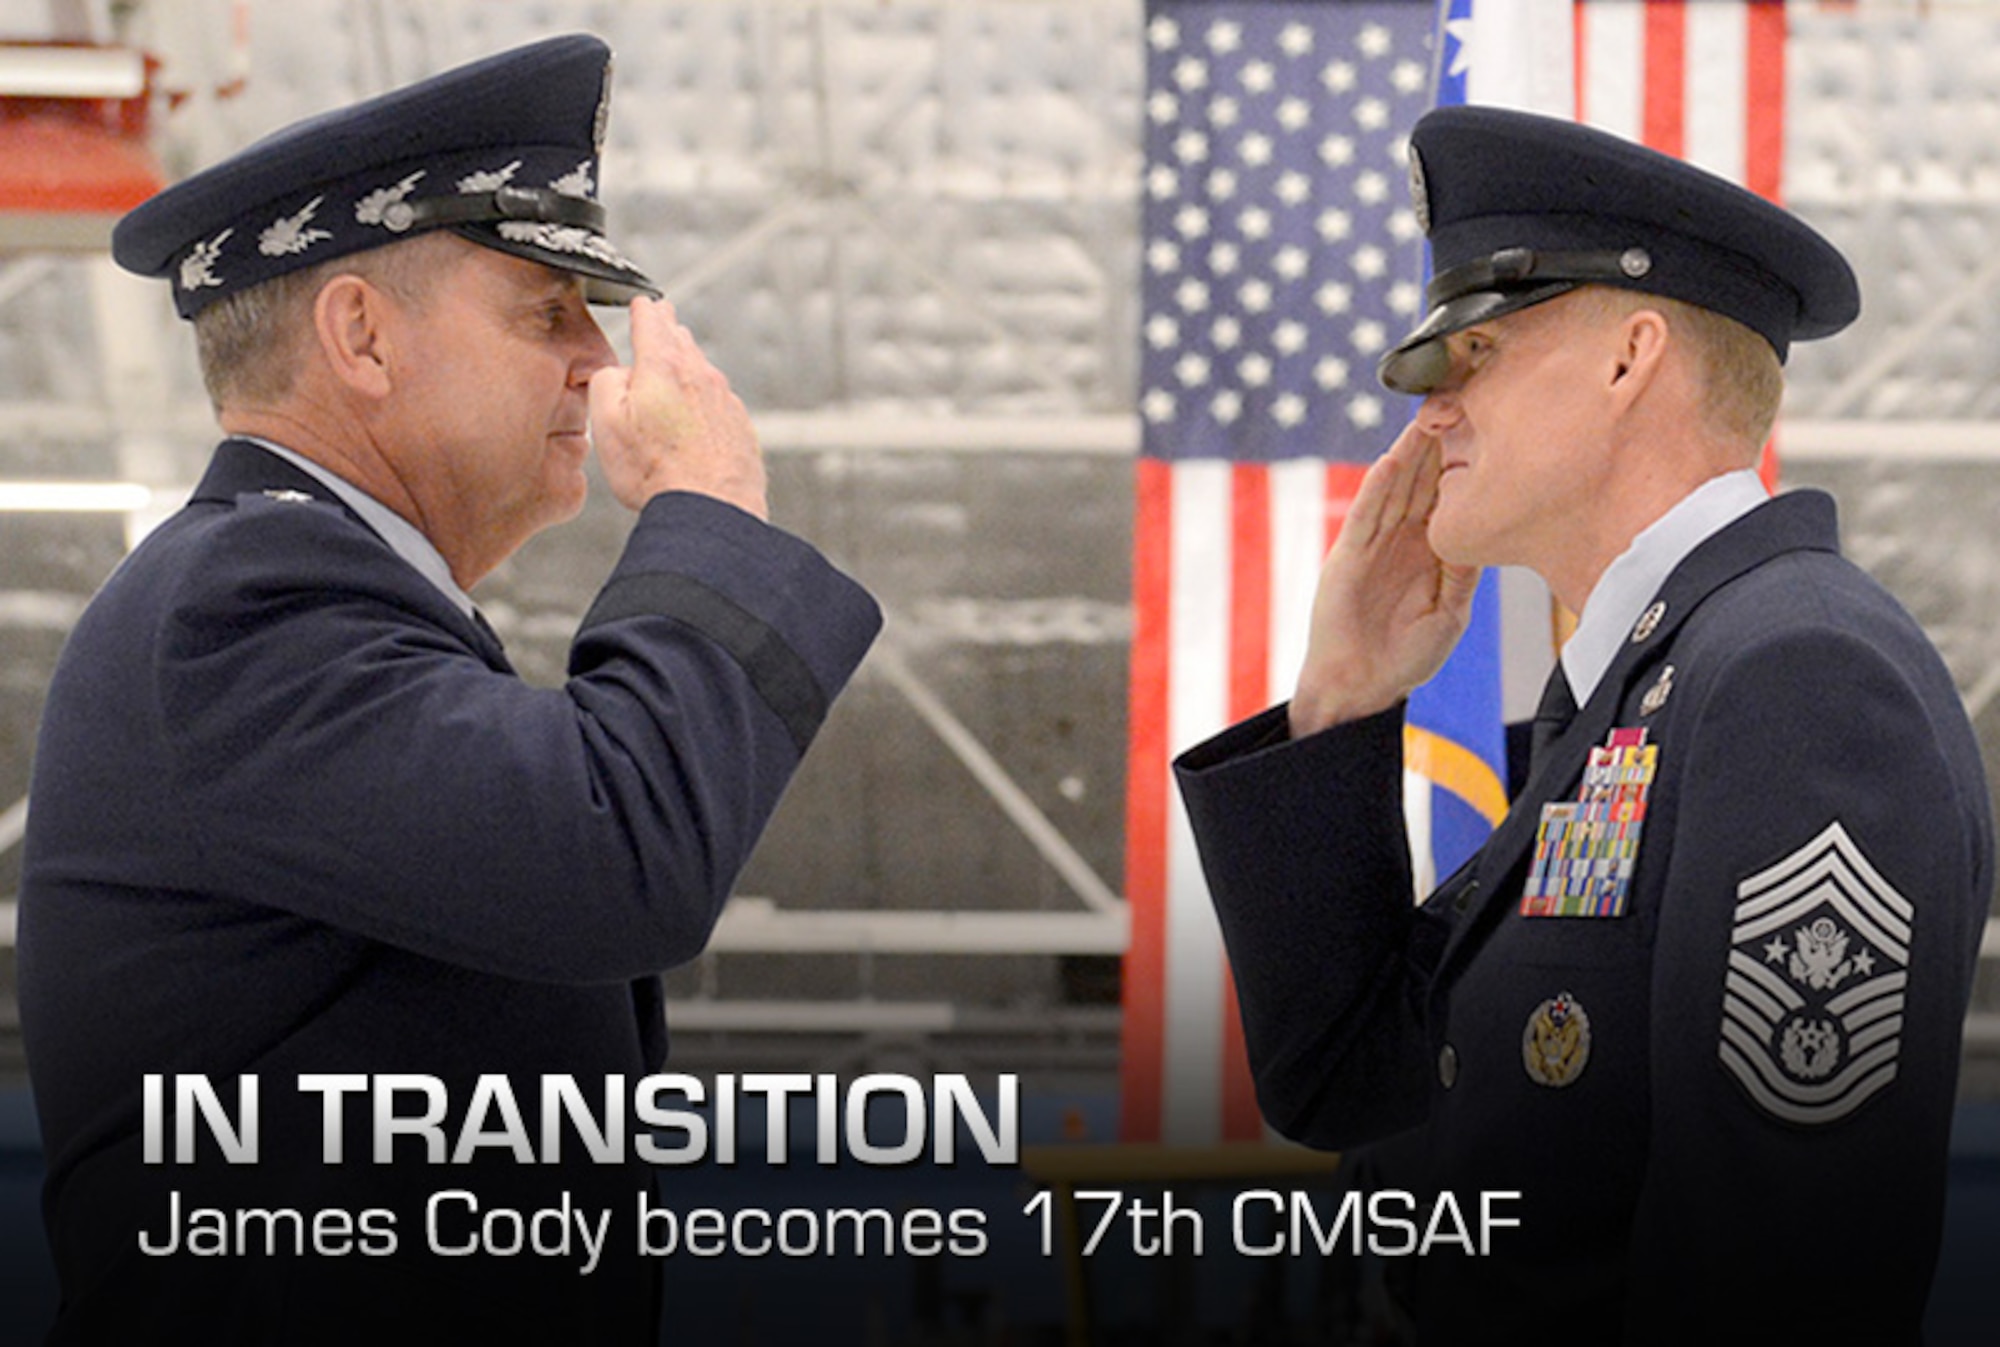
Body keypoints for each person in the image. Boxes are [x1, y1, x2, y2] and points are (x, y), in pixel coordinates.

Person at [17, 34, 881, 1345]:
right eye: (546, 309)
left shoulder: (319, 610)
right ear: (361, 337)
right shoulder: (240, 609)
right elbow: (618, 848)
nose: (597, 361)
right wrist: (710, 511)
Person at [1175, 105, 1991, 1344]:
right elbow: (1349, 1081)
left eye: (1472, 355)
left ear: (1628, 359)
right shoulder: (1643, 688)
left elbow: (1780, 1278)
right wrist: (1342, 701)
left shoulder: (1793, 676)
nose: (1427, 410)